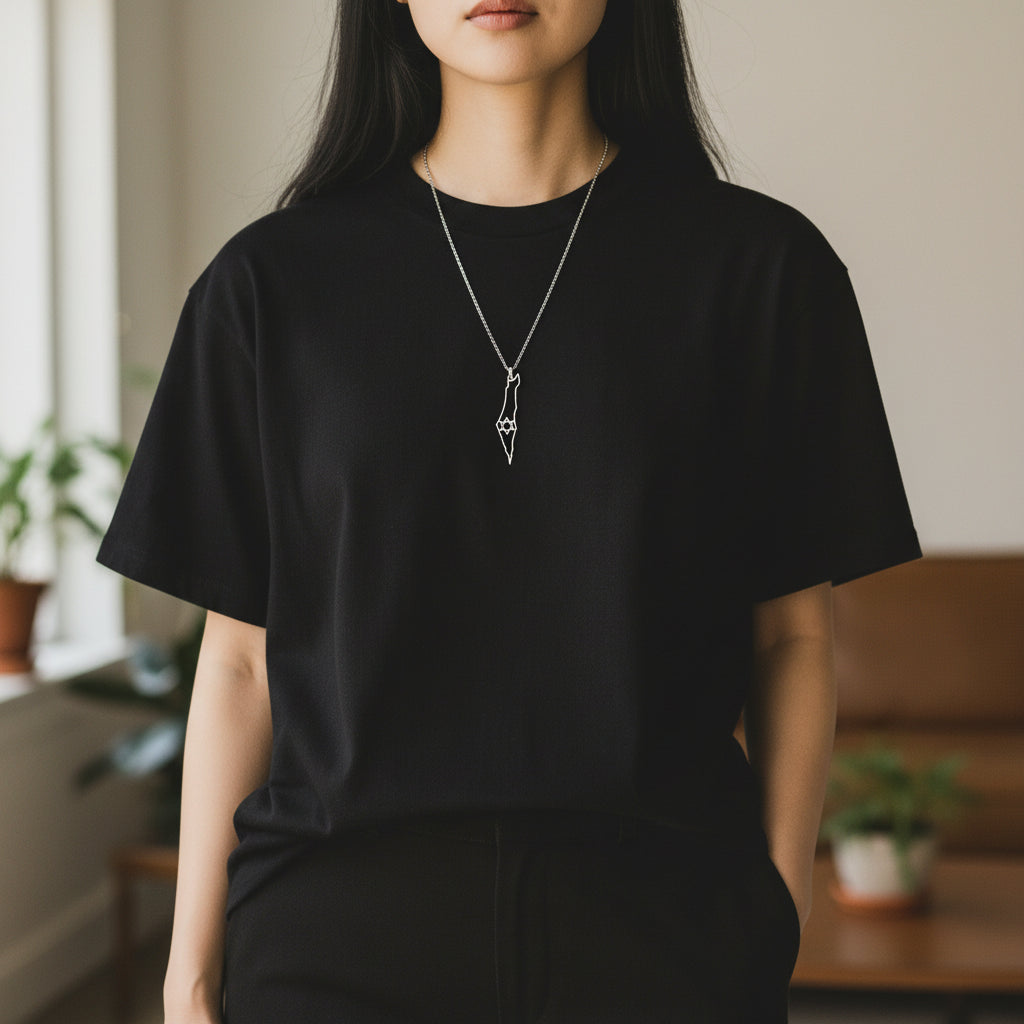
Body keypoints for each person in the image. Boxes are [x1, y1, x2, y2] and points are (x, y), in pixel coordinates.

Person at [97, 0, 922, 1020]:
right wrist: (188, 977)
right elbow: (240, 663)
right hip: (333, 941)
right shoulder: (269, 286)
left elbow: (791, 632)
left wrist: (775, 906)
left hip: (662, 940)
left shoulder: (762, 271)